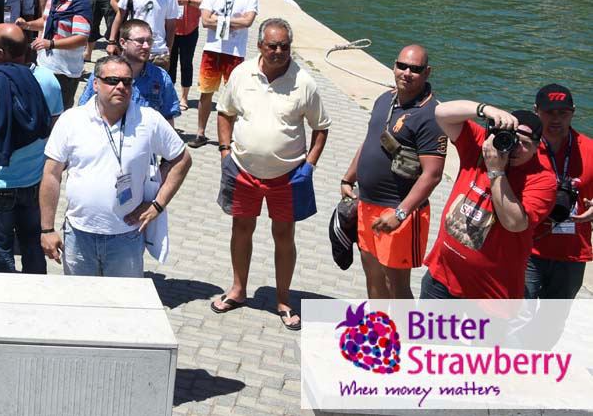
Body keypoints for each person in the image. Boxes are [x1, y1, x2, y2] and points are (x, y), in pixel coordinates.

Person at [212, 19, 330, 331]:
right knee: (241, 228)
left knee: (284, 236)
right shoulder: (241, 74)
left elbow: (321, 127)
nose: (278, 51)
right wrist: (225, 152)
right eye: (272, 46)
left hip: (288, 175)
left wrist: (310, 166)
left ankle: (282, 299)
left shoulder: (304, 82)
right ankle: (238, 290)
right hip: (243, 169)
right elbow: (225, 112)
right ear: (260, 46)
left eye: (284, 46)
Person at [40, 56, 191, 277]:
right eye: (112, 80)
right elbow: (51, 175)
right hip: (78, 234)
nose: (120, 86)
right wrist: (47, 228)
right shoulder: (71, 120)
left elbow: (182, 159)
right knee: (80, 304)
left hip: (126, 237)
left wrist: (158, 204)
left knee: (122, 306)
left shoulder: (149, 120)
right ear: (95, 83)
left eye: (127, 81)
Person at [339, 46, 445, 299]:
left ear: (427, 72)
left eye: (415, 69)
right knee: (373, 277)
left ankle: (406, 337)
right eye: (402, 66)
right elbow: (370, 140)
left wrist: (400, 213)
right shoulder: (385, 100)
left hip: (399, 211)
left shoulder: (431, 115)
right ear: (394, 66)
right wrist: (348, 177)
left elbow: (432, 174)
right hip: (366, 204)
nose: (407, 73)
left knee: (395, 284)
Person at [422, 102, 557, 299]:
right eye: (513, 139)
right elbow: (441, 114)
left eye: (525, 144)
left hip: (490, 292)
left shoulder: (543, 179)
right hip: (442, 277)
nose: (515, 148)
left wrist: (496, 171)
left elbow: (514, 223)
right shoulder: (482, 146)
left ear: (538, 147)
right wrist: (486, 110)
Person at [0, 24, 63, 273]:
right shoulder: (48, 80)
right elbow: (56, 130)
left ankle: (3, 307)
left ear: (0, 52)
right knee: (32, 249)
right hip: (34, 183)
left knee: (1, 257)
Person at [527, 84, 593, 299]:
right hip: (527, 248)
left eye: (563, 113)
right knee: (517, 316)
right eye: (549, 113)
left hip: (571, 253)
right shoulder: (524, 148)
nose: (556, 119)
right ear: (536, 111)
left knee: (552, 322)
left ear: (573, 111)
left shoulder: (589, 149)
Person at [195, 0, 258, 147]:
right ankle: (200, 133)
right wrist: (234, 21)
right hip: (213, 50)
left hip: (235, 52)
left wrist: (220, 20)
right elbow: (205, 21)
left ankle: (230, 137)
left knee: (234, 96)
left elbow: (248, 21)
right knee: (206, 93)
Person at [80, 19, 181, 122]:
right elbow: (83, 111)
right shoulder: (103, 72)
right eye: (140, 41)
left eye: (149, 41)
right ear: (123, 43)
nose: (146, 46)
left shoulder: (161, 78)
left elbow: (168, 118)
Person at [27, 0, 92, 110]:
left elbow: (81, 39)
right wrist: (27, 25)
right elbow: (46, 21)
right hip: (44, 65)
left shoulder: (80, 4)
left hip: (64, 73)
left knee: (58, 114)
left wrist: (51, 44)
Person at [161, 0, 210, 109]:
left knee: (186, 62)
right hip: (171, 27)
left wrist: (188, 1)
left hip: (189, 28)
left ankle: (184, 97)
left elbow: (206, 3)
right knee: (170, 61)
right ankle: (170, 94)